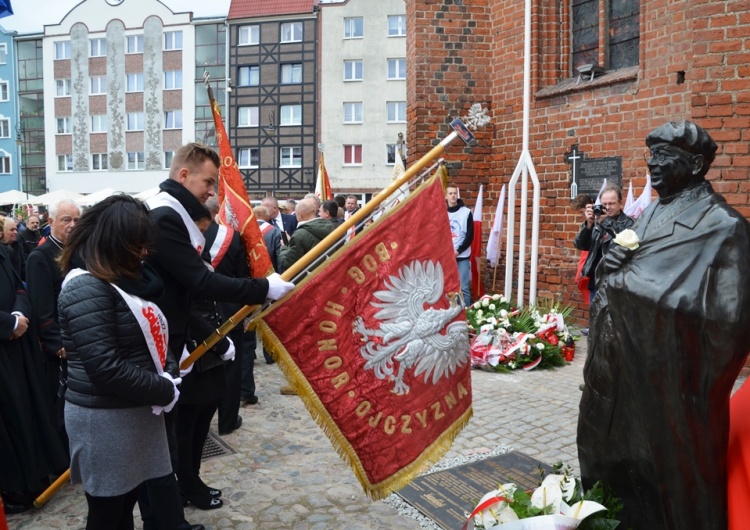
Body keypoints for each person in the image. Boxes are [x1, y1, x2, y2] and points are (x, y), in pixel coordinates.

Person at [577, 121, 750, 530]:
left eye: (663, 157)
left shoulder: (724, 227)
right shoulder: (651, 211)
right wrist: (613, 265)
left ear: (693, 164)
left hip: (670, 389)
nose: (652, 164)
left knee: (671, 492)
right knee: (609, 461)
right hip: (618, 374)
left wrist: (638, 290)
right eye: (650, 155)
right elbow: (624, 272)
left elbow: (731, 325)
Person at [142, 142, 293, 530]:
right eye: (209, 181)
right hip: (160, 345)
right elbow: (199, 281)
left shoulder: (175, 214)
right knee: (161, 447)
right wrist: (262, 289)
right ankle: (167, 516)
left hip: (180, 338)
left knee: (179, 435)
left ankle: (176, 506)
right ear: (184, 175)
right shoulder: (164, 215)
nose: (213, 190)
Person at [58, 195, 180, 530]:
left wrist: (167, 371)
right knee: (109, 511)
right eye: (137, 244)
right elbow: (105, 367)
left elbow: (149, 336)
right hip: (104, 417)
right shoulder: (85, 287)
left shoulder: (115, 279)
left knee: (127, 501)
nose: (144, 253)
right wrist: (162, 388)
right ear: (116, 241)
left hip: (132, 408)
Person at [25, 199, 80, 426]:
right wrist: (57, 345)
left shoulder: (80, 251)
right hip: (59, 350)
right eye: (66, 220)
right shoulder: (40, 256)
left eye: (77, 220)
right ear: (51, 221)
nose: (73, 225)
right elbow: (41, 308)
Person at [202, 196, 247, 433]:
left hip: (198, 312)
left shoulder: (185, 237)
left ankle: (202, 421)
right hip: (230, 312)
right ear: (216, 212)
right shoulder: (232, 237)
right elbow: (243, 278)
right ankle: (227, 421)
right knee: (231, 367)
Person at [573, 183, 634, 303]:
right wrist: (589, 225)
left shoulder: (630, 223)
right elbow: (580, 245)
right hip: (596, 283)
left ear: (620, 203)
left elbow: (625, 243)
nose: (607, 207)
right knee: (596, 320)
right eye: (604, 204)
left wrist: (607, 222)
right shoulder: (596, 223)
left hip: (617, 284)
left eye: (611, 203)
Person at [278, 198, 336, 274]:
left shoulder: (299, 235)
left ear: (299, 214)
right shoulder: (330, 226)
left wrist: (284, 248)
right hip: (329, 273)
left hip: (310, 279)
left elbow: (288, 263)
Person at [445, 185, 473, 305]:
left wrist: (458, 251)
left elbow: (470, 236)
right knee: (447, 288)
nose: (453, 195)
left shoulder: (466, 213)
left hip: (462, 256)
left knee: (464, 288)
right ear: (446, 196)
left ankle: (467, 316)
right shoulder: (441, 213)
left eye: (455, 193)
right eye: (450, 193)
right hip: (446, 257)